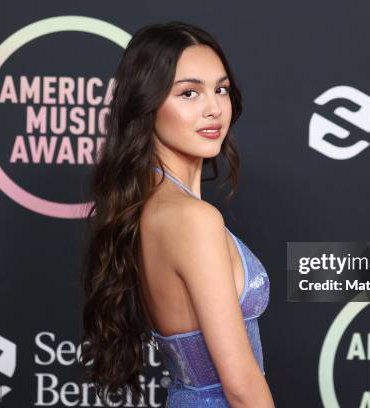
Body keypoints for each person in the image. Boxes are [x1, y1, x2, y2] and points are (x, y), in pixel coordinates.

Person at [80, 21, 274, 407]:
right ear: (147, 104)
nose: (214, 108)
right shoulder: (192, 219)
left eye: (221, 89)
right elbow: (240, 386)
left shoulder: (149, 207)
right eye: (189, 93)